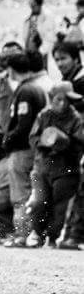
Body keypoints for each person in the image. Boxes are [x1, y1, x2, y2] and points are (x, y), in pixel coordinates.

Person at [26, 83, 84, 247]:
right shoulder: (43, 116)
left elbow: (80, 144)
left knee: (60, 206)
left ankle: (52, 237)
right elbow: (33, 138)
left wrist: (66, 143)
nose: (63, 104)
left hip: (65, 169)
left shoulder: (76, 119)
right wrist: (44, 142)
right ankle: (36, 232)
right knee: (39, 201)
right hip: (42, 167)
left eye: (67, 100)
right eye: (59, 100)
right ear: (52, 99)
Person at [2, 51, 48, 246]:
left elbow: (23, 126)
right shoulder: (35, 88)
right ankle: (29, 233)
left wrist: (6, 141)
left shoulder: (26, 91)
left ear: (11, 70)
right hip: (31, 149)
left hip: (22, 150)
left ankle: (22, 234)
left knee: (20, 193)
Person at [0, 41, 24, 132]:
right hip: (3, 136)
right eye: (6, 57)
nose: (10, 60)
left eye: (13, 57)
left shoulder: (28, 79)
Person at [22, 0, 54, 66]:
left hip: (41, 54)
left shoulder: (47, 17)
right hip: (28, 52)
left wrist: (41, 52)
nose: (28, 1)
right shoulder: (28, 17)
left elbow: (49, 38)